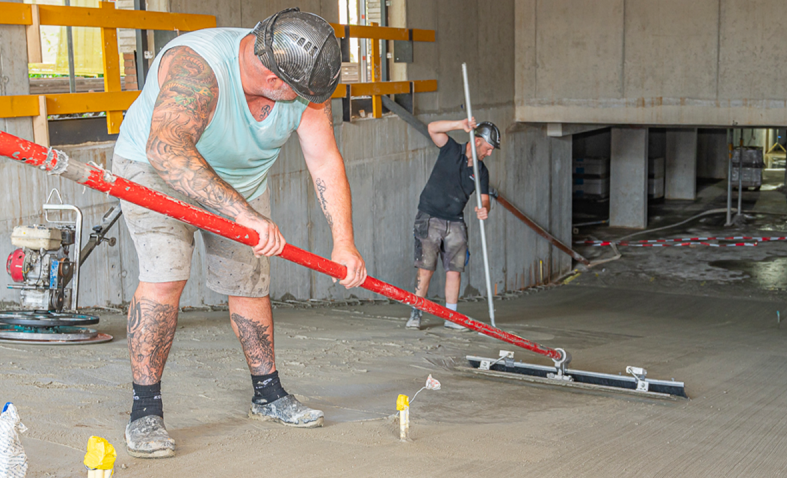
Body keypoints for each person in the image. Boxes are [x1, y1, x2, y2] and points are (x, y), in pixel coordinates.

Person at [110, 8, 367, 458]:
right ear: (274, 79)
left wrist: (343, 242)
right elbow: (166, 147)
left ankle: (268, 395)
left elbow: (324, 160)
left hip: (241, 181)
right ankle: (145, 410)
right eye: (300, 93)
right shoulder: (198, 65)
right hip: (154, 171)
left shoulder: (304, 84)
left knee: (250, 286)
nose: (305, 100)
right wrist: (242, 214)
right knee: (166, 276)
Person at [406, 117, 501, 329]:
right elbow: (433, 128)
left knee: (454, 270)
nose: (490, 153)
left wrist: (485, 208)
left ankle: (451, 317)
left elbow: (484, 197)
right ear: (477, 141)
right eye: (489, 147)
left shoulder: (481, 171)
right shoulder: (450, 149)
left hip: (456, 221)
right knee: (426, 268)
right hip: (430, 216)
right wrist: (461, 124)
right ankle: (416, 313)